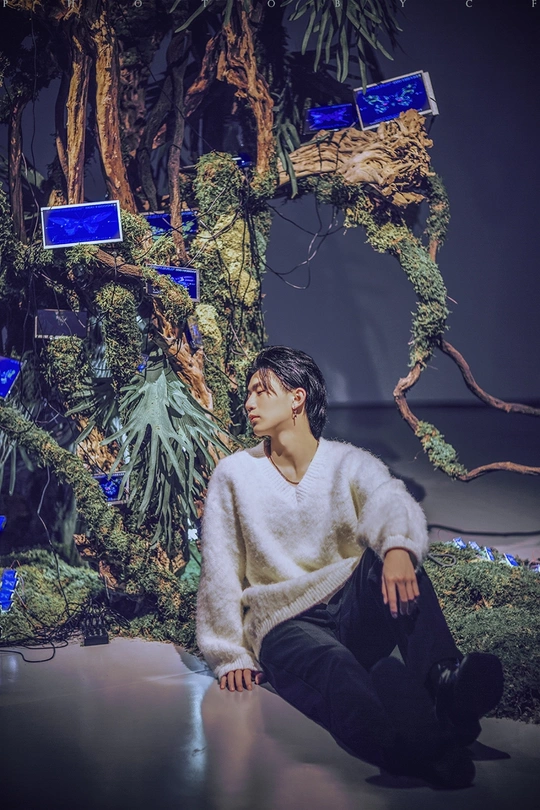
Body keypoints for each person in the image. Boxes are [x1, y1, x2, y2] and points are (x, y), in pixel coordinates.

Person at [196, 346, 504, 789]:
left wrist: (397, 549)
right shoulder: (234, 474)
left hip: (352, 606)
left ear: (297, 398)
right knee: (337, 669)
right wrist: (229, 653)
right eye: (249, 393)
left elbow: (389, 498)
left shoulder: (347, 461)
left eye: (262, 391)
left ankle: (445, 684)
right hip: (284, 622)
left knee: (392, 552)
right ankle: (418, 748)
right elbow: (221, 565)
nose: (249, 402)